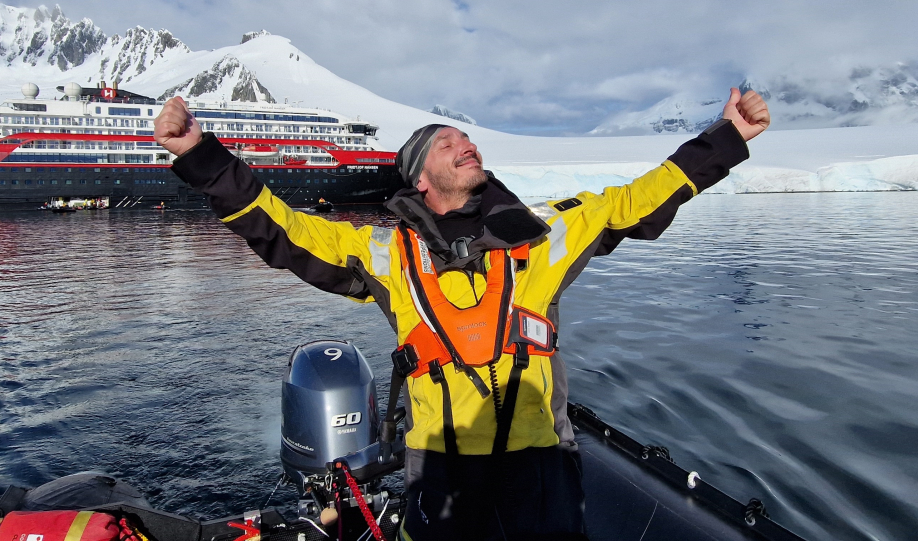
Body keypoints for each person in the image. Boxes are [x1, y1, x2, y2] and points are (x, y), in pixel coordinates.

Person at [155, 89, 770, 540]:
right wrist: (201, 157)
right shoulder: (387, 255)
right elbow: (286, 231)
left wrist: (727, 138)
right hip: (440, 475)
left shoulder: (546, 233)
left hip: (542, 470)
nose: (465, 144)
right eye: (446, 144)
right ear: (422, 178)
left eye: (466, 138)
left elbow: (634, 201)